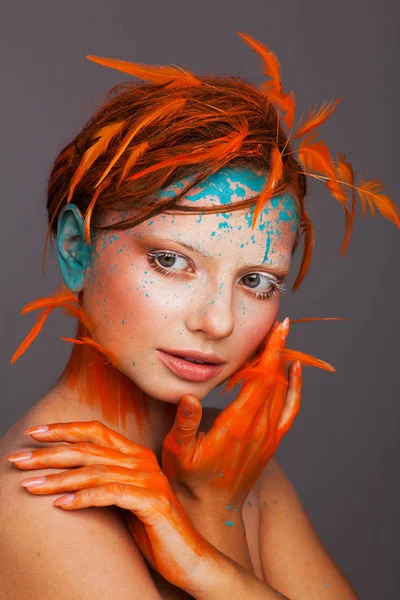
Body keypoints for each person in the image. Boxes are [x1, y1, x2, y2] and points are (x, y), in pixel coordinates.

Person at [1, 31, 397, 599]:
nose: (218, 323)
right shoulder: (50, 497)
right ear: (76, 249)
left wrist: (211, 520)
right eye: (171, 261)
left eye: (256, 281)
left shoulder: (227, 467)